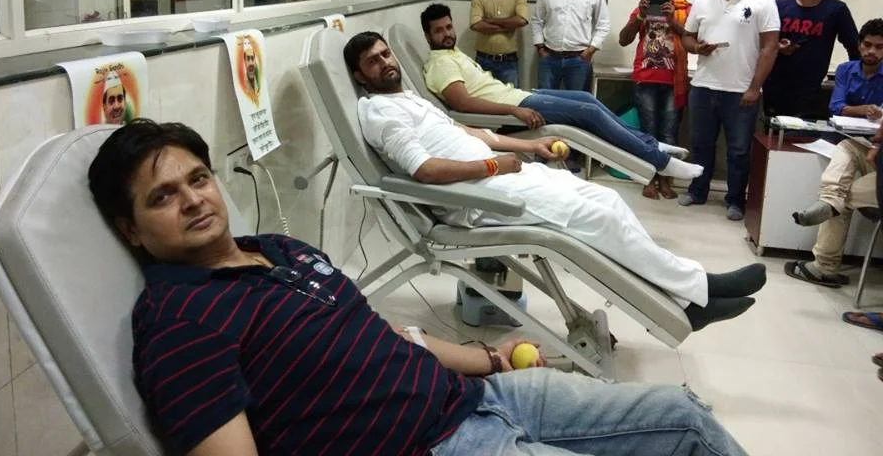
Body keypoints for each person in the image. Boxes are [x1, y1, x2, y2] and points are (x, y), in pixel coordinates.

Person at [89, 119, 753, 456]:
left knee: (685, 417)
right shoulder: (181, 321)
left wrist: (488, 358)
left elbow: (382, 334)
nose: (193, 200)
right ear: (131, 231)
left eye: (198, 179)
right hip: (429, 445)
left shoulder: (277, 249)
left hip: (482, 396)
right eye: (162, 197)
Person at [347, 31, 764, 322]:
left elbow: (466, 132)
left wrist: (529, 148)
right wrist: (492, 166)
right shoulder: (382, 113)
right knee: (599, 220)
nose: (385, 62)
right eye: (373, 61)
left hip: (502, 178)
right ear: (360, 76)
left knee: (608, 200)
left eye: (386, 54)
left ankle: (685, 297)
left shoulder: (407, 98)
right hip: (477, 197)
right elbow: (425, 170)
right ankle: (697, 290)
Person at [420, 4, 703, 183]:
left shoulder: (453, 53)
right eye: (438, 31)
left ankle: (651, 144)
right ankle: (660, 162)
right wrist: (513, 110)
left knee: (587, 99)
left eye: (448, 27)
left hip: (517, 96)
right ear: (428, 36)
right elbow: (462, 104)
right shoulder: (441, 63)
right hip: (513, 108)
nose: (447, 33)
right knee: (589, 113)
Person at [679, 0, 780, 221]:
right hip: (703, 86)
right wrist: (696, 48)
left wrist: (754, 88)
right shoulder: (703, 1)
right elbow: (687, 37)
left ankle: (735, 200)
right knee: (701, 145)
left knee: (738, 150)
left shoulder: (762, 3)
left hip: (740, 91)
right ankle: (697, 191)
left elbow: (770, 48)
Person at [784, 24, 883, 287]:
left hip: (878, 160)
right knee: (847, 148)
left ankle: (824, 266)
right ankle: (829, 203)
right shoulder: (846, 70)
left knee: (840, 197)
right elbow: (836, 106)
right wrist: (865, 112)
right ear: (859, 45)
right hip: (865, 147)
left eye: (879, 47)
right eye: (867, 45)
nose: (872, 52)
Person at [617, 0, 692, 200]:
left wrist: (672, 21)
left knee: (669, 133)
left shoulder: (687, 10)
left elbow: (693, 39)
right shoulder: (643, 8)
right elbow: (623, 39)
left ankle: (666, 181)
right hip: (646, 79)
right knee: (648, 134)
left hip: (673, 82)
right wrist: (640, 15)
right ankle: (648, 179)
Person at [763, 0, 859, 119]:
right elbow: (764, 42)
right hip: (775, 85)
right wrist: (778, 47)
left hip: (810, 89)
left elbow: (854, 48)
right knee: (771, 132)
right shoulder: (780, 5)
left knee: (801, 133)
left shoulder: (836, 10)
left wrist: (856, 82)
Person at [531, 0, 610, 92]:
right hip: (549, 58)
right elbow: (537, 20)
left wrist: (590, 50)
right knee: (545, 100)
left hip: (579, 60)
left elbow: (603, 24)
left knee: (576, 102)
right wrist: (540, 47)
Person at [469, 0, 529, 86]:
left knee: (511, 97)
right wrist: (508, 26)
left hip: (509, 62)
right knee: (482, 97)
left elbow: (521, 20)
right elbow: (476, 25)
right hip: (483, 61)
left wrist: (490, 21)